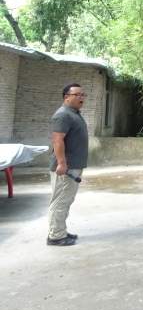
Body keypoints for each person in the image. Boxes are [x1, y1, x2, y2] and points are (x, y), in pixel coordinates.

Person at [47, 83, 89, 246]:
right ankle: (56, 236)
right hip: (66, 168)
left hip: (73, 166)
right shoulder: (63, 114)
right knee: (60, 201)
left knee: (66, 200)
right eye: (77, 95)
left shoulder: (74, 113)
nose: (81, 97)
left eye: (83, 95)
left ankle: (60, 231)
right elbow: (57, 140)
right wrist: (62, 163)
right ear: (66, 97)